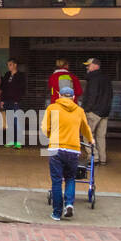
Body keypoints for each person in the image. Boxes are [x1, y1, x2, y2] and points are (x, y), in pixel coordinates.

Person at [41, 84, 95, 220]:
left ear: (59, 96)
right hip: (73, 149)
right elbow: (85, 129)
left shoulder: (52, 108)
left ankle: (57, 213)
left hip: (55, 148)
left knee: (57, 181)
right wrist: (91, 140)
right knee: (71, 178)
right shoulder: (79, 110)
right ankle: (69, 204)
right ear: (73, 97)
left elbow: (45, 128)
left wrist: (50, 135)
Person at [80, 57, 112, 166]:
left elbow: (92, 96)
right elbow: (110, 95)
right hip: (105, 112)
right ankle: (102, 158)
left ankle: (94, 157)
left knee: (87, 135)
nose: (87, 67)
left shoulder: (93, 79)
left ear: (95, 66)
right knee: (100, 136)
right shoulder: (106, 78)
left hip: (93, 112)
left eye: (88, 65)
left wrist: (86, 109)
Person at [0, 58, 26, 148]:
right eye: (8, 65)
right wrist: (2, 100)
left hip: (16, 102)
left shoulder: (20, 75)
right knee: (10, 122)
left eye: (10, 64)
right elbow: (3, 88)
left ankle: (18, 142)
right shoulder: (7, 75)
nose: (9, 66)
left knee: (17, 122)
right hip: (7, 101)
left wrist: (17, 100)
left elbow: (22, 89)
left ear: (15, 65)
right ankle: (11, 140)